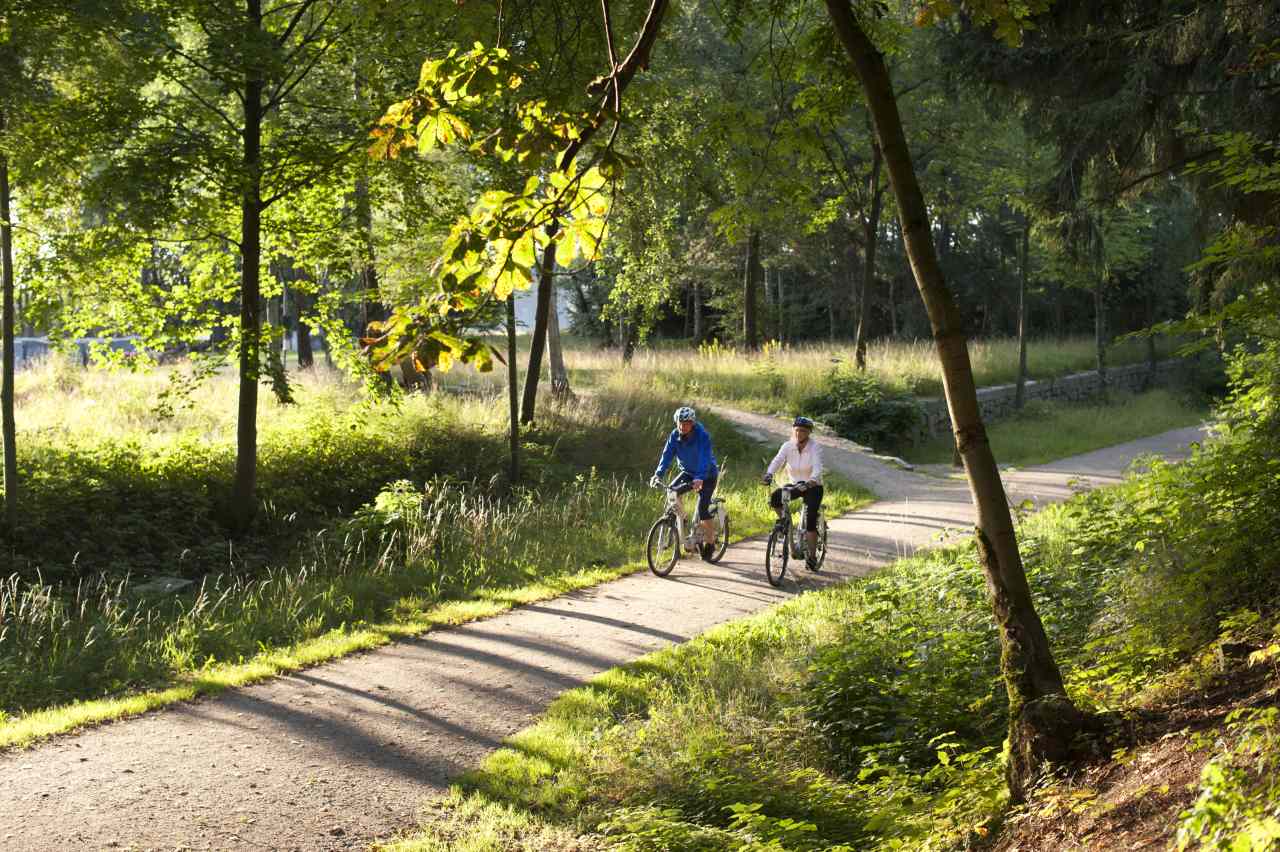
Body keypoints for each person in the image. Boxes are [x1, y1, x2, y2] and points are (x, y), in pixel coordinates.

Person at [650, 406, 720, 559]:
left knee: (702, 509)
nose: (682, 426)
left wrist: (699, 477)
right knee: (672, 492)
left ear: (692, 423)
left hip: (707, 475)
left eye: (686, 423)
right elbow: (667, 456)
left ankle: (710, 542)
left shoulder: (702, 436)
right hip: (688, 472)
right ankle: (684, 519)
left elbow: (705, 458)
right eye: (680, 423)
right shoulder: (675, 436)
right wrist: (658, 474)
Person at [762, 416, 825, 569]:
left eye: (802, 431)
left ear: (808, 432)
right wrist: (769, 474)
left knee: (810, 520)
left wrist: (812, 481)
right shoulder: (787, 446)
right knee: (775, 498)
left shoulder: (814, 447)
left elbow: (817, 466)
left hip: (813, 486)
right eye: (796, 430)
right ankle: (786, 524)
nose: (798, 433)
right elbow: (778, 460)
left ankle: (812, 557)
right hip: (796, 484)